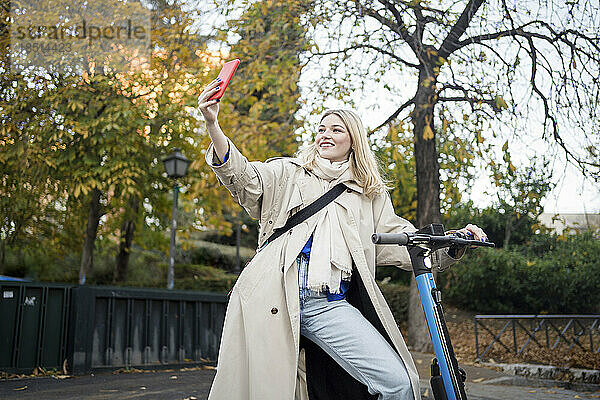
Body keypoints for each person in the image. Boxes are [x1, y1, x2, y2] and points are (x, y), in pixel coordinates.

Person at [197, 78, 487, 400]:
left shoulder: (368, 195)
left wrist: (454, 243)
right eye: (321, 129)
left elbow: (405, 243)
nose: (325, 134)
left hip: (326, 304)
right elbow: (243, 178)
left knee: (399, 382)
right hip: (273, 297)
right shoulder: (288, 173)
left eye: (336, 129)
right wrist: (213, 124)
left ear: (353, 140)